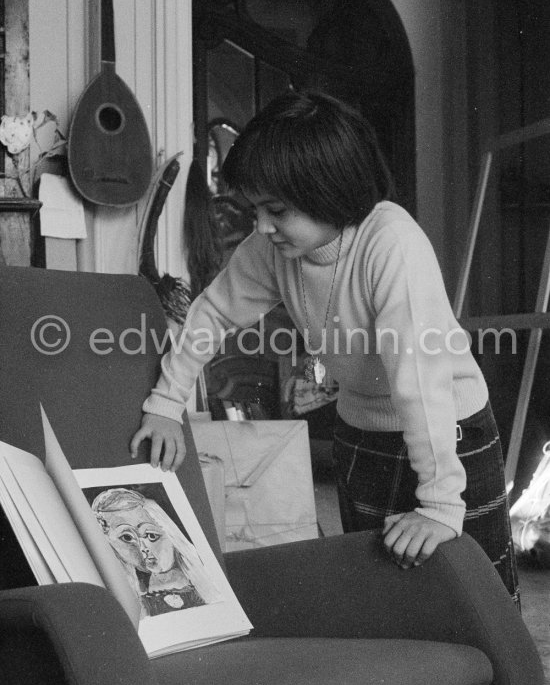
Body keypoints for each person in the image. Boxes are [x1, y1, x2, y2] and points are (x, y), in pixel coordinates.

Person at [130, 90, 519, 604]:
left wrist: (443, 504)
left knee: (481, 597)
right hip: (361, 427)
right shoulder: (273, 249)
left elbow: (420, 382)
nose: (261, 226)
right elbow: (213, 311)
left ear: (330, 192)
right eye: (255, 210)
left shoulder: (392, 244)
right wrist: (164, 403)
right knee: (380, 593)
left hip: (449, 429)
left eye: (277, 210)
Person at [91, 488, 221, 617]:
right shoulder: (134, 599)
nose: (143, 548)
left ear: (169, 532)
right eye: (127, 538)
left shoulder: (205, 586)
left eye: (151, 536)